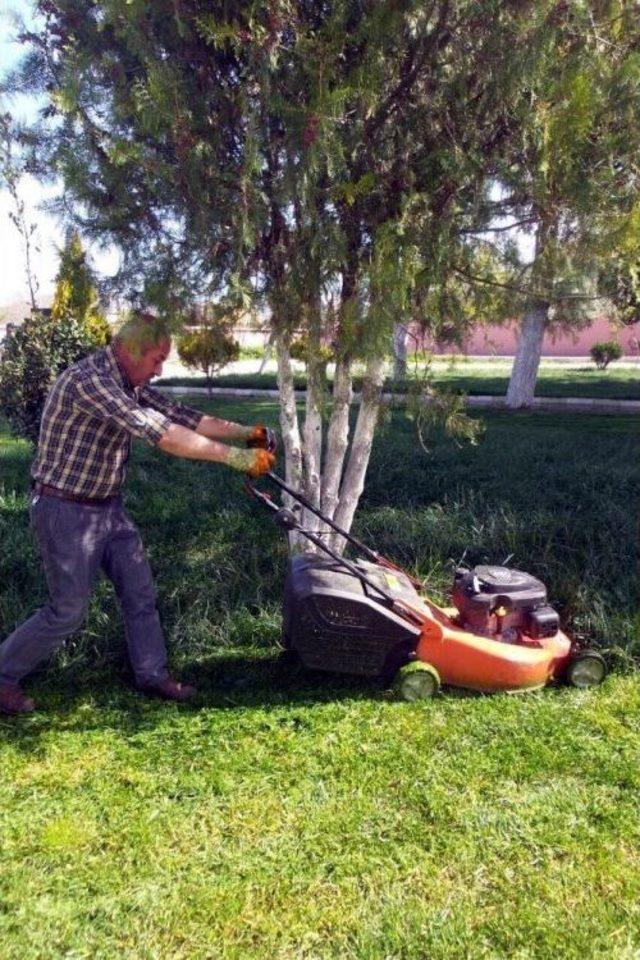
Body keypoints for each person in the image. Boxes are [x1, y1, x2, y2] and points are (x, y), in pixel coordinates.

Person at [0, 312, 277, 714]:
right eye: (157, 359)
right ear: (130, 351)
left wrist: (245, 433)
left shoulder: (128, 381)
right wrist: (236, 458)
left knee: (140, 591)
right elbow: (161, 434)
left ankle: (152, 675)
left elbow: (179, 415)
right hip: (65, 510)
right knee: (68, 611)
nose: (160, 369)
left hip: (107, 508)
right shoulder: (91, 381)